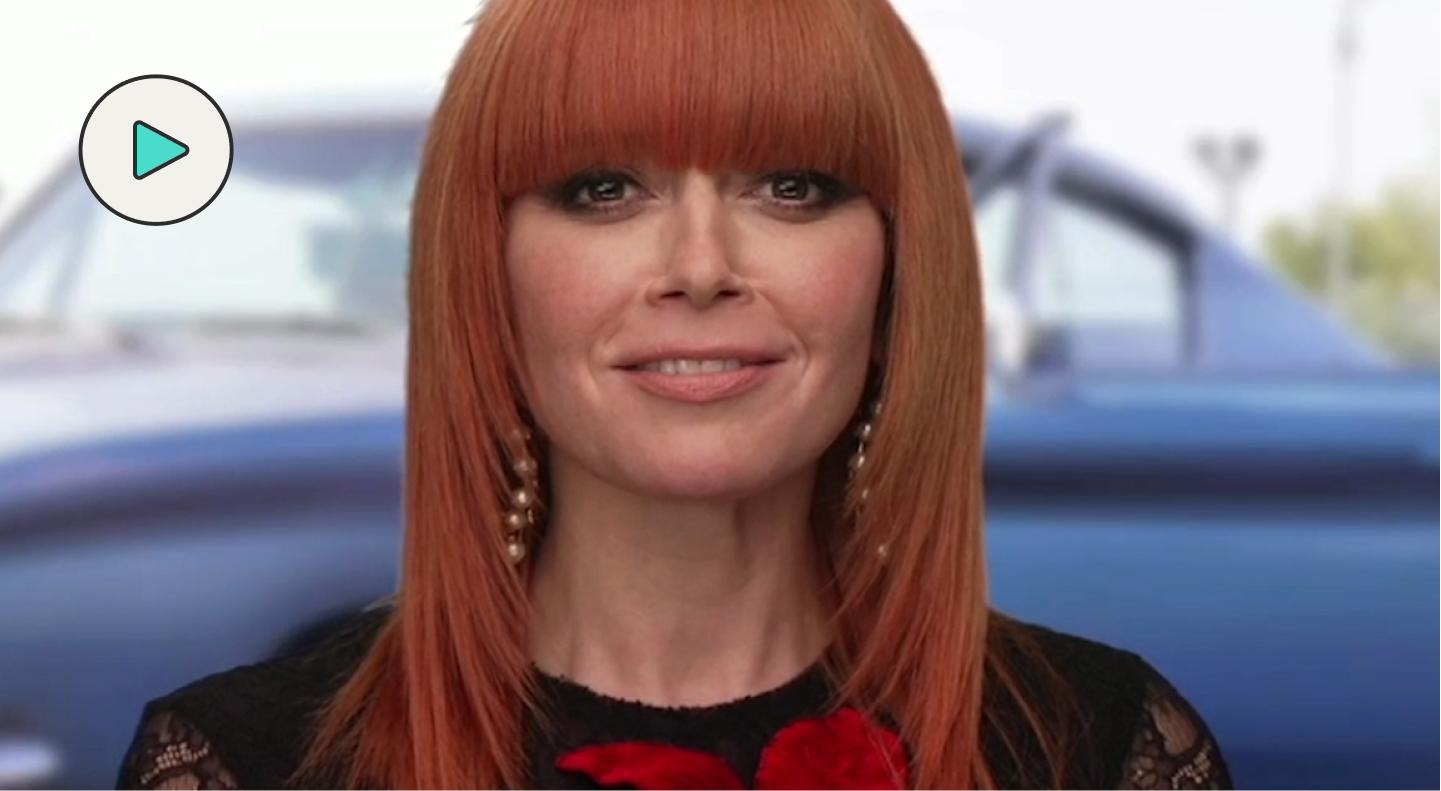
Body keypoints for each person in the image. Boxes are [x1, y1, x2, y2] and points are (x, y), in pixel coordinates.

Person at [116, 0, 1235, 788]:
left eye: (792, 185)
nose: (700, 266)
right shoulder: (244, 764)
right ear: (486, 270)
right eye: (603, 188)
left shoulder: (1103, 748)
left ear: (898, 266)